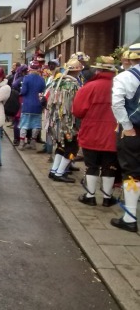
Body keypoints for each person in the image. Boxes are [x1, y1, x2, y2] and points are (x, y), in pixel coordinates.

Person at [72, 56, 118, 207]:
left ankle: (90, 195)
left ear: (98, 70)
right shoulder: (119, 85)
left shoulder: (89, 87)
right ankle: (107, 197)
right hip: (113, 133)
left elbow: (78, 111)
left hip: (91, 132)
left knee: (91, 165)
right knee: (109, 165)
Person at [110, 44, 140, 232]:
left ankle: (130, 218)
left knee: (131, 173)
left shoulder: (125, 77)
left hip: (134, 131)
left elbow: (117, 103)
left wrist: (127, 127)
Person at [47, 55, 83, 183]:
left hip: (56, 122)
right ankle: (59, 173)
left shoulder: (57, 82)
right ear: (77, 71)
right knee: (72, 147)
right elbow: (77, 106)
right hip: (69, 123)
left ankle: (54, 170)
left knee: (61, 145)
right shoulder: (73, 85)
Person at [19, 61, 46, 150]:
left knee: (24, 124)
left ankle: (22, 142)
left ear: (30, 69)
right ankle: (33, 142)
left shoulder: (26, 78)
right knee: (36, 124)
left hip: (27, 104)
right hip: (37, 105)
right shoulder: (42, 79)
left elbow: (23, 91)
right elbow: (43, 91)